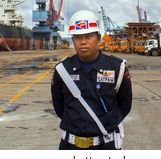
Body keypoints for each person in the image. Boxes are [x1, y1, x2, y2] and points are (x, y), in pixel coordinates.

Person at [51, 10, 132, 150]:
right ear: (72, 40)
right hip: (70, 146)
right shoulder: (62, 70)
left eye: (88, 36)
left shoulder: (117, 68)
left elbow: (124, 106)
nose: (83, 42)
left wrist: (107, 123)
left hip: (105, 147)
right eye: (77, 37)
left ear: (98, 38)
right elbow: (59, 108)